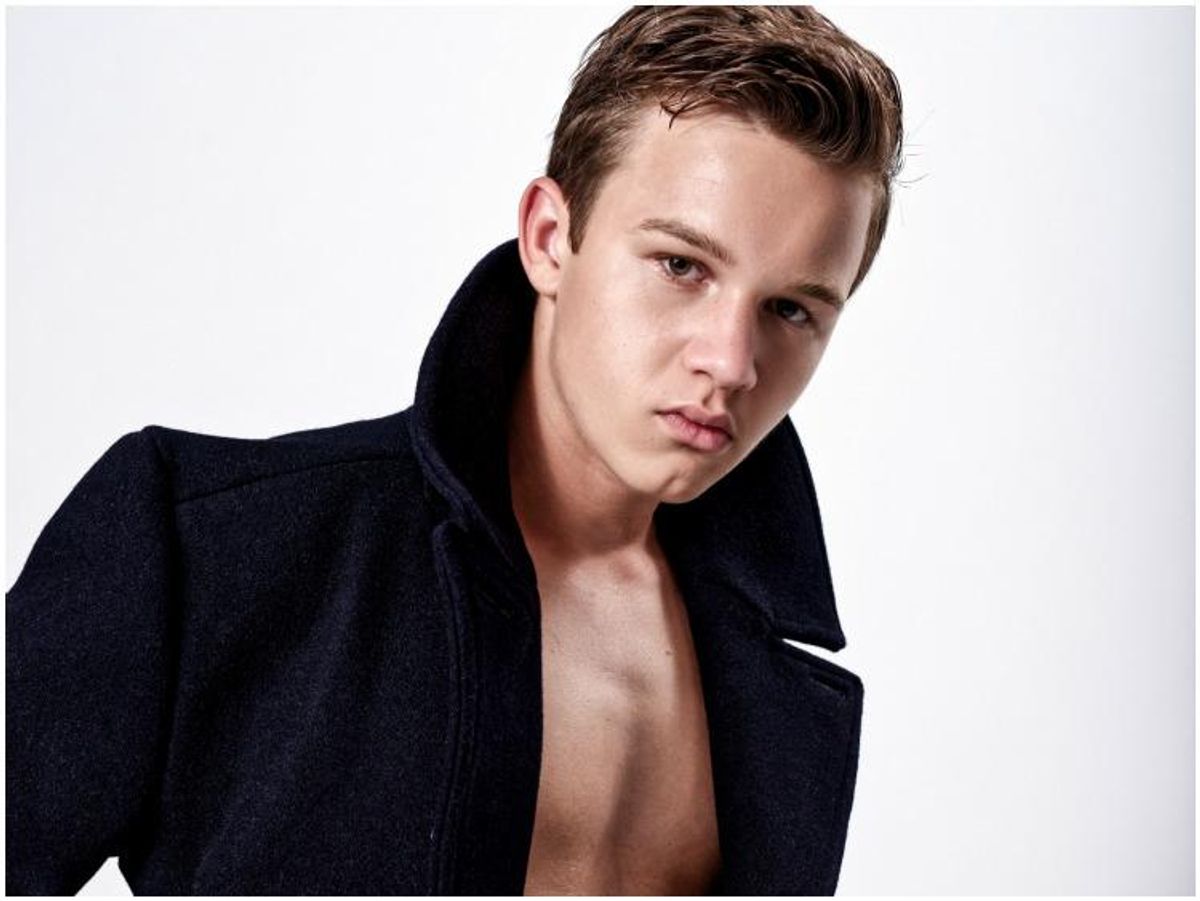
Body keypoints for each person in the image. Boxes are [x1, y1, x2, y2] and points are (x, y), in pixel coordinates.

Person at [6, 5, 903, 896]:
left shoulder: (767, 672)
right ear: (549, 240)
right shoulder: (206, 550)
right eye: (681, 266)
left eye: (791, 309)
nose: (732, 361)